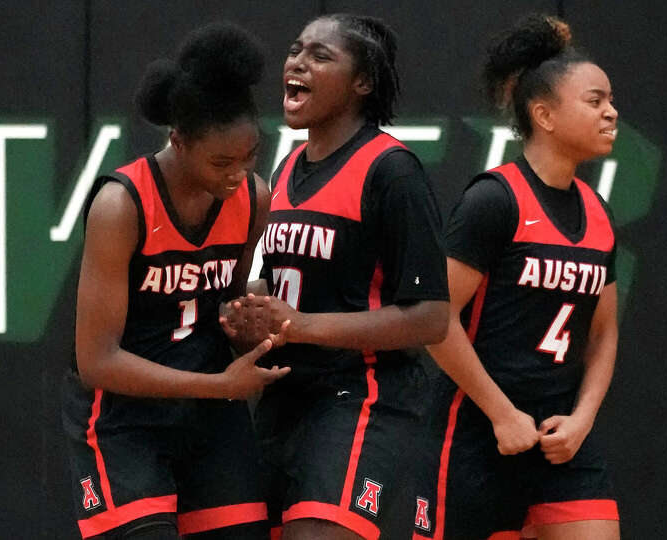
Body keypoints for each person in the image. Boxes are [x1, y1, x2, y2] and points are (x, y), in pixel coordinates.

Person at [221, 13, 449, 540]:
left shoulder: (391, 169)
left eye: (321, 56)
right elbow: (282, 288)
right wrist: (248, 308)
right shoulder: (285, 169)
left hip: (362, 399)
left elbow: (431, 317)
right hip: (284, 399)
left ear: (362, 83)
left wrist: (299, 326)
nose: (298, 62)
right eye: (296, 50)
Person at [60, 22, 289, 540]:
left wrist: (246, 319)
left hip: (208, 414)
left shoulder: (253, 198)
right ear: (178, 141)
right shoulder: (121, 204)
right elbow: (96, 360)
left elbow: (221, 302)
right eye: (221, 161)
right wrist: (219, 385)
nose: (236, 173)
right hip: (123, 417)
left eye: (249, 155)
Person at [419, 14, 621, 540]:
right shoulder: (494, 200)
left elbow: (602, 333)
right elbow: (435, 321)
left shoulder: (598, 214)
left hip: (562, 437)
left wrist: (583, 419)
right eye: (595, 101)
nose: (611, 112)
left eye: (610, 100)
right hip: (477, 431)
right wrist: (502, 413)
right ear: (544, 115)